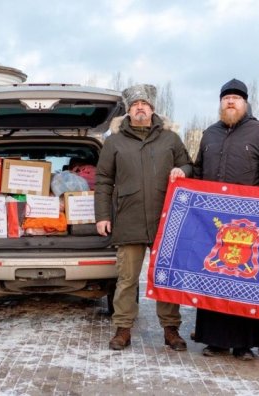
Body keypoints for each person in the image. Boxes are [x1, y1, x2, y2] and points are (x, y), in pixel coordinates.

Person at [95, 84, 193, 351]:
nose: (140, 108)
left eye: (145, 104)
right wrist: (103, 215)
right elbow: (103, 180)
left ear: (152, 108)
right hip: (129, 218)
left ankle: (171, 329)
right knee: (126, 278)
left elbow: (188, 165)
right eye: (135, 104)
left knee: (166, 276)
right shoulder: (114, 141)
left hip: (166, 219)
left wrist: (182, 170)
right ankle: (123, 328)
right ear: (128, 110)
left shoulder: (170, 139)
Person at [191, 78, 259, 361]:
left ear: (245, 103)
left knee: (243, 280)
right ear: (220, 103)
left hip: (247, 224)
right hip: (213, 222)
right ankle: (215, 340)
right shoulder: (209, 133)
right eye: (226, 98)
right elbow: (197, 170)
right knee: (213, 277)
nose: (231, 102)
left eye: (236, 98)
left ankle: (244, 343)